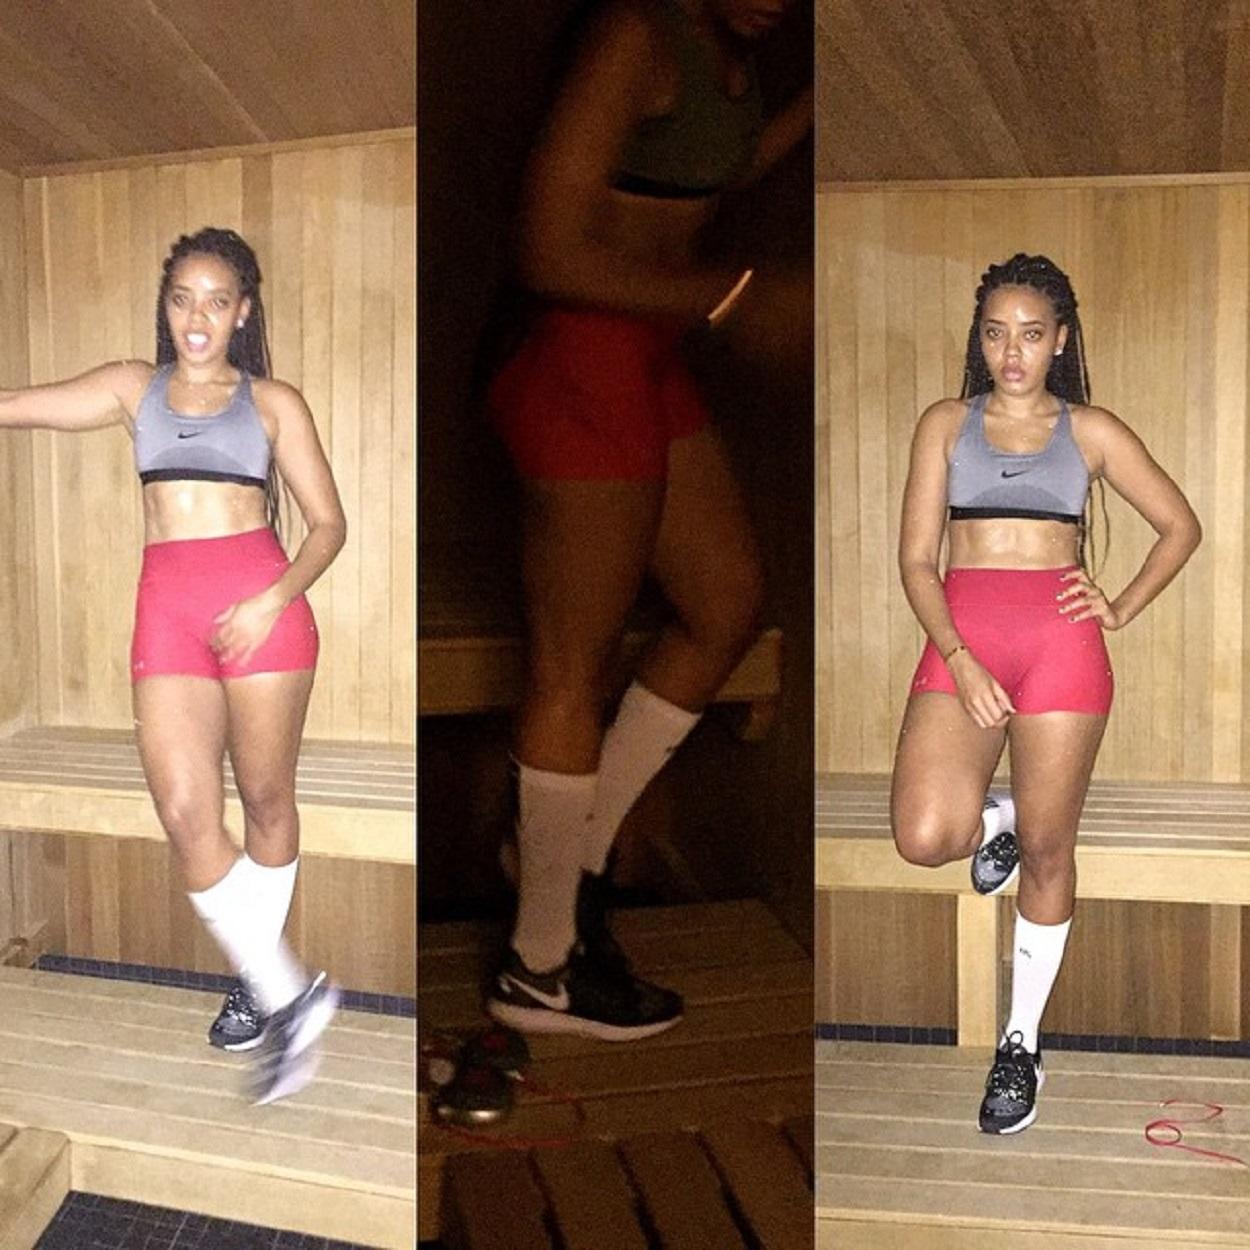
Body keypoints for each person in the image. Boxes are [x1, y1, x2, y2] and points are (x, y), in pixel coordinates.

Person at [483, 0, 810, 1040]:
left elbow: (717, 158)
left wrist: (820, 100)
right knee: (568, 669)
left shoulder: (726, 52)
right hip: (577, 352)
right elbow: (545, 249)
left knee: (726, 602)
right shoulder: (635, 34)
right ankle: (540, 967)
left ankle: (564, 858)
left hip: (643, 354)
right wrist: (735, 296)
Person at [0, 227, 347, 1104]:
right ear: (166, 305)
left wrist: (270, 600)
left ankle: (260, 990)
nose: (198, 317)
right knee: (186, 809)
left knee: (265, 799)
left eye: (216, 301)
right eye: (182, 298)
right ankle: (285, 990)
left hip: (264, 613)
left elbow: (328, 525)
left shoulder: (273, 402)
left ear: (243, 312)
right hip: (168, 616)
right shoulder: (134, 388)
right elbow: (17, 404)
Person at [891, 253, 1200, 1133]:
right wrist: (959, 657)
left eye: (1031, 335)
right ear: (980, 338)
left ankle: (1020, 1044)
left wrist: (1120, 606)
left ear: (1060, 340)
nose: (1012, 352)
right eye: (996, 334)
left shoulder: (1091, 430)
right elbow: (917, 561)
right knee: (924, 836)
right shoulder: (946, 422)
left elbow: (1180, 527)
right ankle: (1000, 815)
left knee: (1049, 850)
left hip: (1061, 649)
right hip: (965, 642)